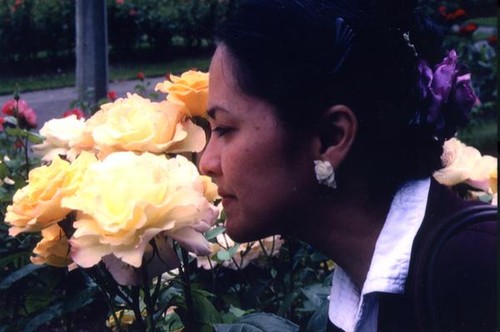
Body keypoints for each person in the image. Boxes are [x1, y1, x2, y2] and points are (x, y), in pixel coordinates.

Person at [199, 0, 497, 331]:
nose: (205, 163)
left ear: (330, 138)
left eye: (225, 129)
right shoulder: (370, 290)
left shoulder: (478, 273)